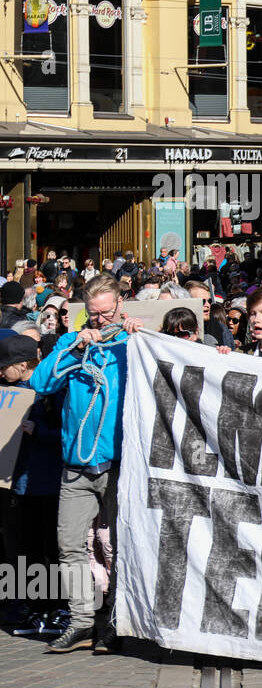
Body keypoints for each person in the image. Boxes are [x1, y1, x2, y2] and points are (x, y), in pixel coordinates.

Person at [29, 274, 146, 654]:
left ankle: (114, 621)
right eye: (92, 313)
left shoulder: (132, 345)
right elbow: (41, 383)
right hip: (76, 467)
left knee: (119, 547)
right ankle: (81, 621)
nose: (98, 320)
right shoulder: (71, 342)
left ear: (120, 307)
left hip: (116, 464)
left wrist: (141, 338)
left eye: (105, 312)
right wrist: (76, 349)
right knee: (69, 545)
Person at [0, 334, 65, 637]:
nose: (1, 373)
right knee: (20, 551)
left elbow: (66, 435)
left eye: (5, 367)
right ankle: (24, 606)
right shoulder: (8, 391)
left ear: (23, 364)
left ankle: (53, 608)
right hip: (16, 485)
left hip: (45, 484)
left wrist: (38, 431)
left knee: (47, 549)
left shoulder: (48, 393)